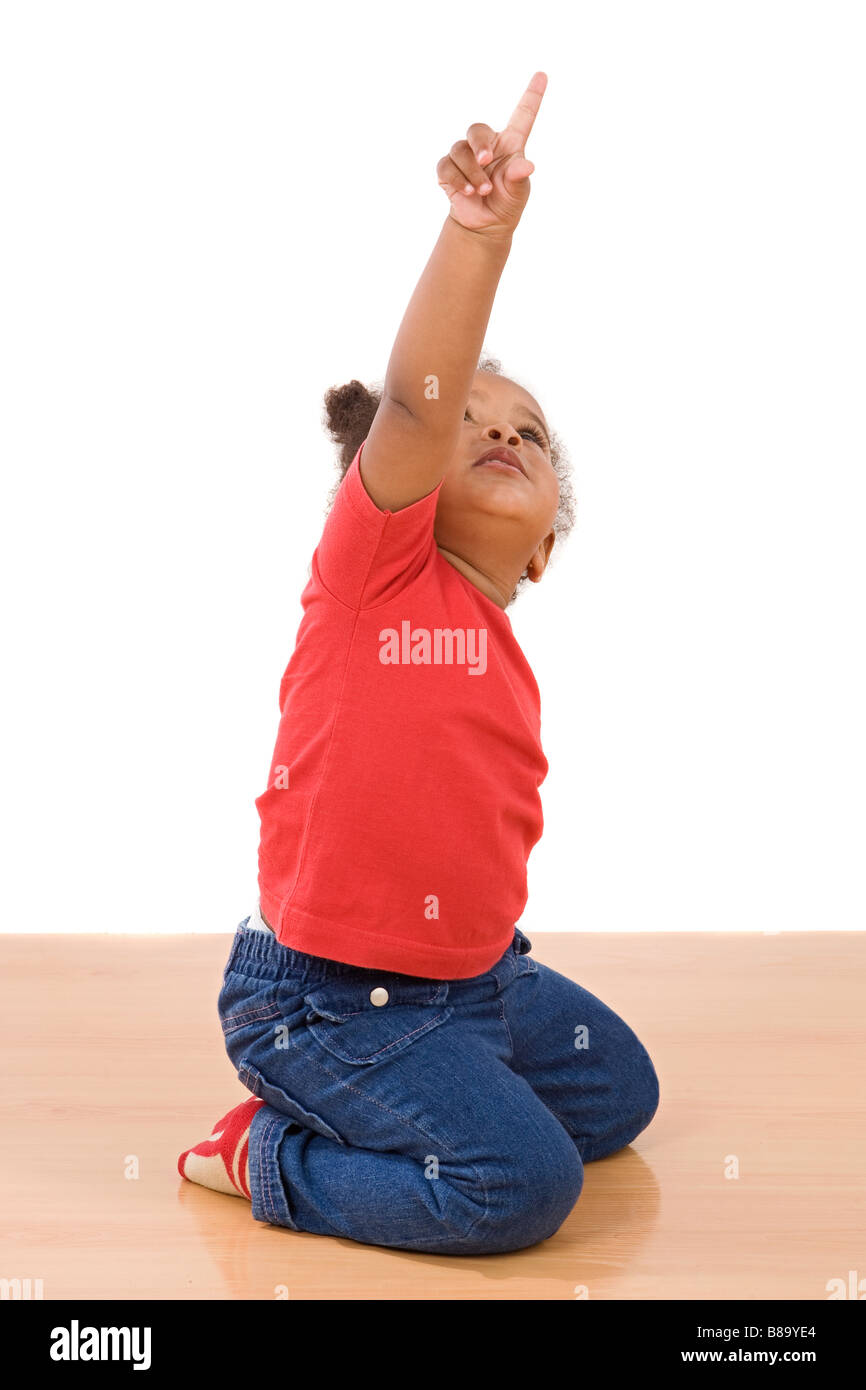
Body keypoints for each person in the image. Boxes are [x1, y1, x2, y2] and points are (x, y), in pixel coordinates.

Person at [178, 72, 659, 1255]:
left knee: (621, 1094)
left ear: (545, 541)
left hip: (475, 985)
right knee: (522, 1187)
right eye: (469, 424)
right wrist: (475, 235)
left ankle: (443, 1085)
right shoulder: (374, 571)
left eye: (528, 433)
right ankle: (270, 1148)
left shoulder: (498, 640)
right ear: (402, 471)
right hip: (328, 1003)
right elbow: (414, 401)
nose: (497, 431)